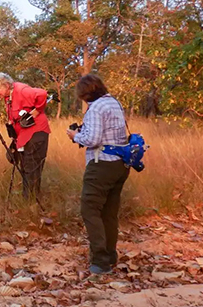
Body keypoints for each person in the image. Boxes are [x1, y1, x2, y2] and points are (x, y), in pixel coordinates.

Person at [66, 74, 129, 275]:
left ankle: (100, 261)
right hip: (120, 164)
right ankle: (110, 255)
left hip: (101, 164)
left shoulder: (95, 109)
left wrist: (75, 136)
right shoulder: (113, 102)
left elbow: (92, 139)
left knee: (90, 209)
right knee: (109, 212)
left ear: (85, 94)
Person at [0, 72, 51, 198]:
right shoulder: (8, 97)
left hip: (36, 133)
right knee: (24, 166)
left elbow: (42, 94)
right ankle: (27, 195)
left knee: (32, 167)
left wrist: (36, 112)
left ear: (6, 85)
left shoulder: (22, 90)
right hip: (23, 136)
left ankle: (31, 199)